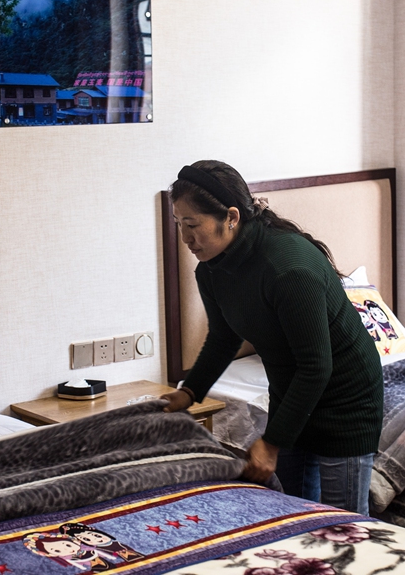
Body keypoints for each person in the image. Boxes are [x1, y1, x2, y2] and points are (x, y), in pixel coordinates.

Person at [161, 160, 384, 515]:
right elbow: (223, 338)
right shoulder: (212, 271)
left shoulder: (288, 269)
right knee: (296, 514)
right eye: (178, 224)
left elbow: (316, 366)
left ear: (231, 217)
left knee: (346, 527)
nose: (185, 238)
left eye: (192, 225)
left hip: (346, 400)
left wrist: (271, 443)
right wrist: (189, 392)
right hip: (292, 394)